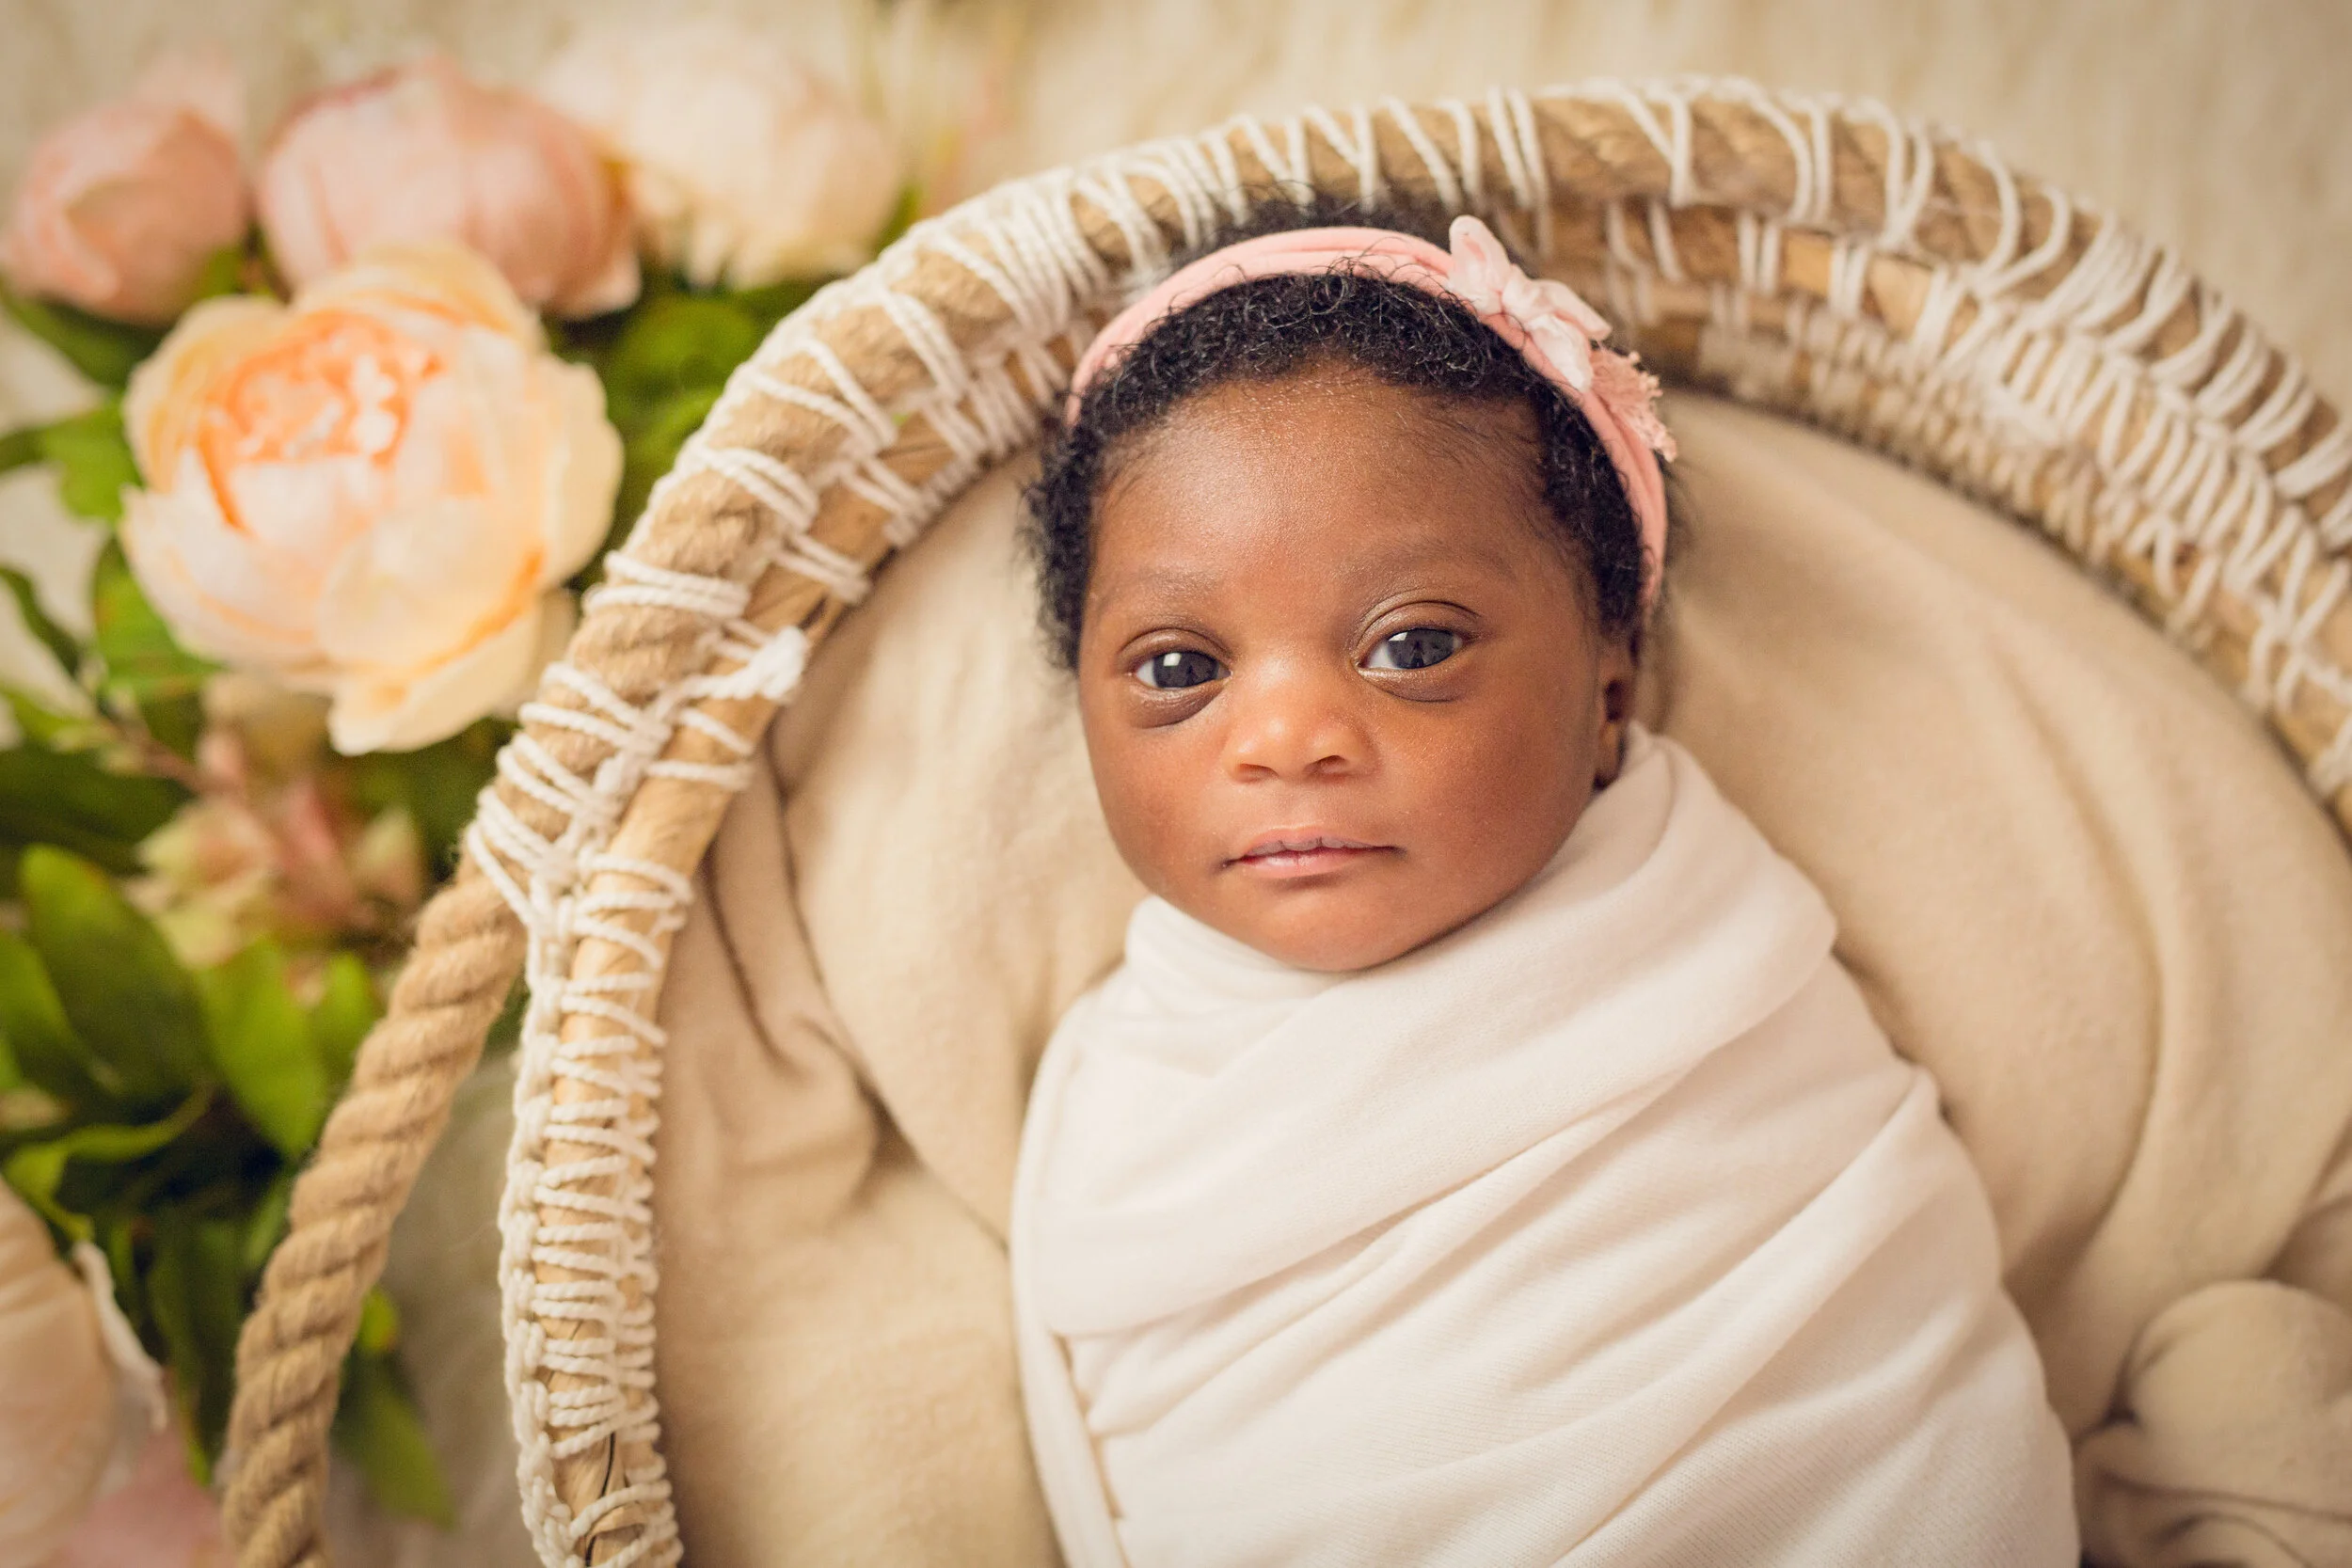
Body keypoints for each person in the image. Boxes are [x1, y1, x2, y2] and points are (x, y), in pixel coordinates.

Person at [1009, 199, 2078, 1567]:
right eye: (1179, 669)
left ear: (1609, 690)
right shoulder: (1126, 1092)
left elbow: (1880, 1364)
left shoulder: (1702, 953)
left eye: (1412, 646)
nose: (1284, 738)